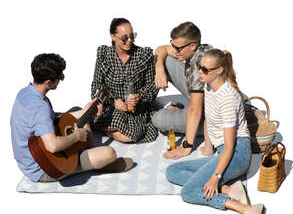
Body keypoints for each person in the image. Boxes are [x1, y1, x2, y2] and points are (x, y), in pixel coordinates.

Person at [166, 49, 265, 214]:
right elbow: (209, 118)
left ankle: (246, 209)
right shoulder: (209, 86)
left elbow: (229, 146)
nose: (199, 72)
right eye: (198, 66)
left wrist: (215, 177)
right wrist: (208, 147)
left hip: (237, 153)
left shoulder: (228, 98)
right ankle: (229, 189)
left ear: (219, 70)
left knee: (188, 191)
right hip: (223, 151)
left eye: (204, 69)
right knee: (172, 171)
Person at [10, 53, 133, 183]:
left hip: (28, 159)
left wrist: (85, 111)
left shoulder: (25, 93)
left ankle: (91, 152)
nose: (61, 80)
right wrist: (76, 137)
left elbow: (45, 119)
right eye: (60, 77)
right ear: (48, 82)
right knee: (109, 154)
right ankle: (98, 162)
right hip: (46, 168)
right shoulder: (40, 108)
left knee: (76, 110)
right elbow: (52, 146)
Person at [91, 18, 159, 143]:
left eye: (132, 36)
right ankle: (107, 128)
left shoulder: (143, 55)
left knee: (132, 135)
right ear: (113, 37)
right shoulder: (104, 55)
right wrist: (112, 102)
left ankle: (105, 129)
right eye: (124, 38)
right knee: (101, 116)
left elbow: (152, 86)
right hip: (111, 106)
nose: (130, 41)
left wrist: (139, 96)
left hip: (136, 109)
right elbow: (96, 85)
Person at [152, 21, 213, 159]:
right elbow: (161, 49)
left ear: (192, 46)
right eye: (173, 45)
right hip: (200, 98)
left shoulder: (201, 67)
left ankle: (180, 115)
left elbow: (196, 110)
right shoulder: (199, 49)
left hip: (208, 116)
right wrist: (159, 68)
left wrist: (187, 146)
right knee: (164, 59)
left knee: (157, 119)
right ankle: (176, 108)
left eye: (177, 48)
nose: (174, 50)